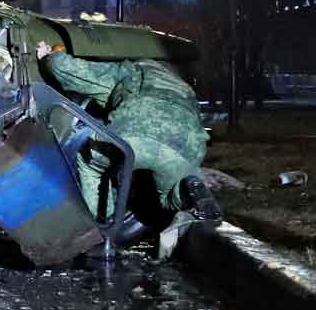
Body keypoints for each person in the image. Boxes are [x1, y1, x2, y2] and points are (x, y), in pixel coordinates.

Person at [36, 42, 221, 223]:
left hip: (134, 138)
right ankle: (189, 190)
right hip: (184, 146)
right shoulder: (185, 89)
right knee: (169, 197)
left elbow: (69, 70)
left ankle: (103, 221)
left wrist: (50, 56)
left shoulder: (130, 72)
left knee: (89, 163)